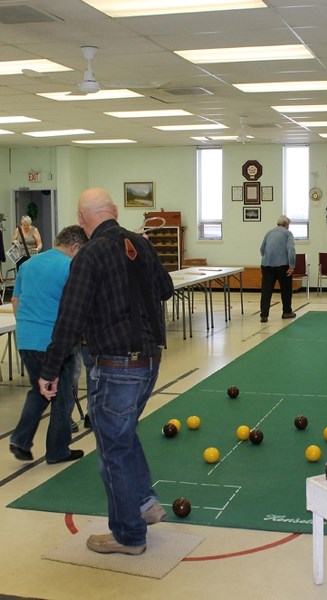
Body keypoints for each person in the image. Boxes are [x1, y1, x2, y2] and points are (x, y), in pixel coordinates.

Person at [39, 187, 174, 556]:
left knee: (112, 451)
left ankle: (129, 535)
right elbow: (165, 289)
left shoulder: (89, 254)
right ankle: (145, 503)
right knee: (123, 435)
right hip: (148, 363)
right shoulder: (140, 245)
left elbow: (71, 316)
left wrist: (49, 369)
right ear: (114, 210)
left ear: (82, 221)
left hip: (115, 366)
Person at [9, 226, 88, 463]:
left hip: (26, 339)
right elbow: (76, 305)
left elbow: (15, 299)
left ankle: (20, 440)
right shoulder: (70, 266)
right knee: (63, 395)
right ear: (75, 247)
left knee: (41, 390)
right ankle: (57, 450)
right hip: (56, 344)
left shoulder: (28, 264)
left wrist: (27, 326)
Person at [259, 215, 296, 323]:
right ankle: (287, 312)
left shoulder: (269, 232)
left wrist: (267, 258)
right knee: (286, 290)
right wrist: (292, 265)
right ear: (286, 224)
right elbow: (291, 250)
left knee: (266, 291)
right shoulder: (287, 234)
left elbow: (262, 249)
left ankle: (264, 315)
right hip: (283, 266)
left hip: (267, 266)